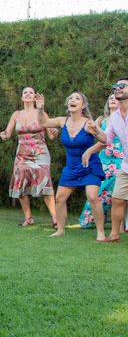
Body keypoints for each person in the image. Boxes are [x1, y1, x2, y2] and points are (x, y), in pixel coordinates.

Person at [36, 91, 107, 240]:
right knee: (60, 198)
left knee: (92, 197)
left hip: (89, 166)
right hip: (71, 167)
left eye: (77, 98)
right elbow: (43, 123)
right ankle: (60, 230)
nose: (72, 100)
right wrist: (40, 109)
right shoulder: (63, 121)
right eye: (71, 98)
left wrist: (96, 134)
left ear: (83, 105)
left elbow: (105, 139)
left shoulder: (88, 123)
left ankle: (101, 233)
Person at [0, 87, 58, 227]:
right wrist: (3, 135)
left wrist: (55, 132)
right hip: (22, 155)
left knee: (45, 182)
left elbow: (51, 136)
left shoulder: (41, 113)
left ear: (34, 98)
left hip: (40, 153)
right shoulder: (16, 114)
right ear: (21, 98)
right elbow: (7, 133)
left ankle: (55, 218)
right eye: (25, 92)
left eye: (31, 92)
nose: (28, 94)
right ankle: (28, 218)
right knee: (20, 183)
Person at [84, 78, 128, 242]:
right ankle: (115, 235)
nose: (118, 89)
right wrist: (96, 131)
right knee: (117, 199)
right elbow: (106, 139)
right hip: (126, 166)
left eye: (122, 86)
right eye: (116, 87)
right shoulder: (115, 117)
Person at [80, 92, 123, 228]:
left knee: (117, 191)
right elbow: (91, 135)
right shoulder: (101, 120)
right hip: (103, 159)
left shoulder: (124, 119)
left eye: (115, 99)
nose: (112, 100)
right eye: (110, 98)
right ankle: (93, 219)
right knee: (98, 190)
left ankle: (119, 225)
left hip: (120, 159)